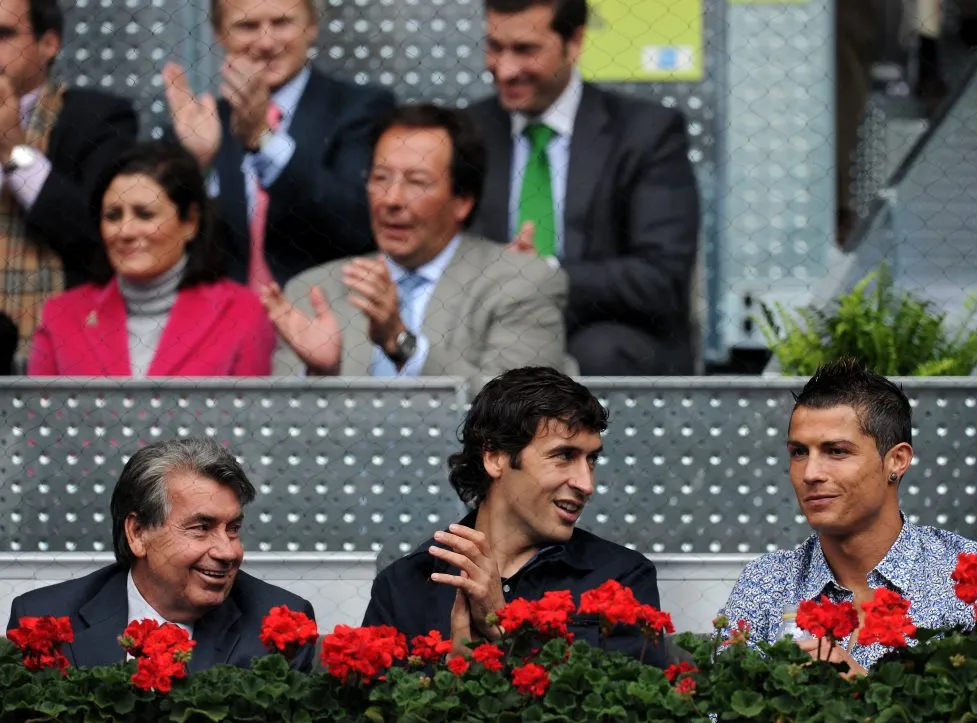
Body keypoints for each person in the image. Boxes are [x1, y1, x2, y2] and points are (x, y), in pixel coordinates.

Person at [362, 366, 666, 666]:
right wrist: (449, 689)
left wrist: (504, 631)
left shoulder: (622, 579)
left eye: (592, 459)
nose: (587, 484)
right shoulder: (406, 585)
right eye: (564, 456)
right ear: (495, 457)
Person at [719, 358, 977, 672]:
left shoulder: (969, 576)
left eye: (836, 451)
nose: (810, 473)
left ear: (897, 461)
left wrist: (862, 697)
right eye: (799, 452)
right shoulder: (765, 581)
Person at [467, 0, 700, 375]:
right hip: (492, 329)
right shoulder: (470, 131)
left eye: (525, 49)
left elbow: (660, 278)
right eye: (494, 47)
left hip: (605, 336)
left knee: (598, 352)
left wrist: (541, 272)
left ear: (573, 43)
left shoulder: (645, 133)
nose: (504, 69)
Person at [263, 104, 569, 388]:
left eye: (417, 182)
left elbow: (522, 414)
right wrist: (320, 376)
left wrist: (402, 344)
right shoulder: (316, 290)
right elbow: (280, 431)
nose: (391, 199)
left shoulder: (522, 283)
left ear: (462, 200)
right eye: (380, 178)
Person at [6, 438, 317, 672]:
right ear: (138, 533)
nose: (229, 551)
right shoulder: (44, 620)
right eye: (200, 527)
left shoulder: (279, 624)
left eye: (233, 528)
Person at [162, 0, 395, 289]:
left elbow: (358, 223)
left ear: (311, 26)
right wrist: (197, 164)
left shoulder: (359, 110)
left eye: (282, 23)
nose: (266, 42)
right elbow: (163, 242)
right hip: (228, 321)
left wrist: (264, 141)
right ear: (219, 34)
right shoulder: (202, 123)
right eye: (247, 26)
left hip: (325, 313)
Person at [27, 141, 275, 376]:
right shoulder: (60, 317)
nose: (125, 232)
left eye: (144, 215)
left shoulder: (242, 314)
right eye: (113, 216)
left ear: (190, 221)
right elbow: (34, 419)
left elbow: (253, 419)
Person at [0, 0, 138, 362]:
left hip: (65, 356)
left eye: (3, 35)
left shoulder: (97, 119)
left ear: (49, 44)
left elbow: (99, 237)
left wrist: (16, 153)